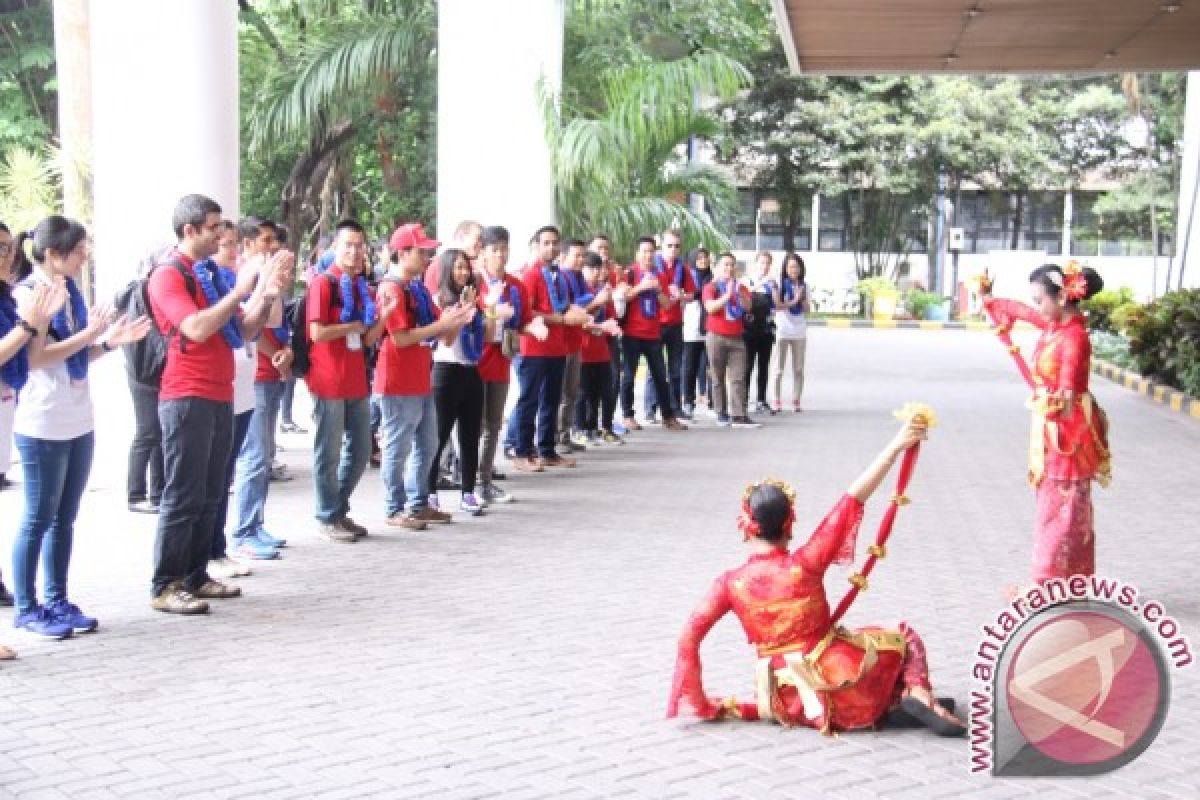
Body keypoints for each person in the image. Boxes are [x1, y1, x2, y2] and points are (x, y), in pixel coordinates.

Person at [667, 417, 964, 737]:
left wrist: (699, 702)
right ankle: (916, 694)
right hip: (840, 676)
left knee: (846, 664)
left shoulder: (729, 584)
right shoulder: (805, 563)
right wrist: (895, 445)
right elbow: (854, 499)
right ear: (788, 524)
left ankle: (895, 702)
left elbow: (688, 638)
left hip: (785, 700)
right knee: (903, 634)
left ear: (745, 525)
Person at [147, 194, 289, 614]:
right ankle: (166, 583)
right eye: (213, 227)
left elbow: (242, 329)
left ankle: (195, 574)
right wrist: (243, 289)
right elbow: (194, 326)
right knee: (184, 494)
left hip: (219, 393)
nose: (221, 233)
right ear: (189, 231)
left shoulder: (211, 273)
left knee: (211, 491)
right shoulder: (168, 275)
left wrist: (263, 294)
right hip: (185, 394)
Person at [13, 215, 151, 636]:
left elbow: (75, 355)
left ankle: (57, 598)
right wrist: (91, 333)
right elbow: (37, 358)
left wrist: (107, 343)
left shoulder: (70, 293)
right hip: (42, 420)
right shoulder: (30, 293)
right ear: (51, 254)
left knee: (64, 517)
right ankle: (27, 605)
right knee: (38, 517)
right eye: (77, 250)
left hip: (77, 417)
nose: (84, 256)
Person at [981, 263, 1110, 585]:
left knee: (1065, 506)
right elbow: (1021, 311)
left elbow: (1067, 388)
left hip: (1069, 430)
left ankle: (1051, 580)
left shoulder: (1075, 337)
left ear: (1063, 297)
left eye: (1041, 299)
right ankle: (1064, 578)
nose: (1038, 306)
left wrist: (1054, 403)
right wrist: (989, 300)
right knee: (1054, 503)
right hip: (1053, 425)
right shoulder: (1054, 326)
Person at [375, 223, 472, 529]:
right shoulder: (391, 288)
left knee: (427, 444)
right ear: (402, 253)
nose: (428, 257)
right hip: (397, 379)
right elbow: (401, 338)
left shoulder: (416, 287)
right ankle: (395, 508)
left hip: (420, 378)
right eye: (422, 252)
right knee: (398, 446)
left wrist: (458, 317)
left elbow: (442, 336)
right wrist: (445, 323)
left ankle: (417, 504)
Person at [0, 223, 68, 651]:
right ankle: (29, 605)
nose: (5, 255)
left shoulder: (8, 296)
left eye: (7, 248)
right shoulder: (19, 302)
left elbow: (31, 355)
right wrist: (30, 324)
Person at [305, 219, 391, 542]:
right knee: (328, 451)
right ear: (334, 249)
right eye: (348, 245)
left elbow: (368, 339)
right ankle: (327, 515)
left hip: (356, 380)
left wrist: (383, 316)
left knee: (360, 450)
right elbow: (317, 332)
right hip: (328, 379)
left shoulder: (360, 287)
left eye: (359, 245)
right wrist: (352, 325)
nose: (355, 252)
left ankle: (338, 508)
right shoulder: (323, 283)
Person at [228, 218, 294, 565]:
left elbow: (277, 323)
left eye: (274, 239)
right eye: (265, 240)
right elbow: (249, 325)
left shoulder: (270, 276)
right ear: (247, 243)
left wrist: (287, 352)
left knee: (263, 454)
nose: (272, 246)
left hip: (269, 370)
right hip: (257, 373)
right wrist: (277, 355)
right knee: (254, 456)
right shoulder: (247, 277)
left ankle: (255, 524)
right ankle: (243, 532)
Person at [506, 226, 589, 470]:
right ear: (536, 246)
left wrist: (575, 314)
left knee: (551, 401)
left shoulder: (559, 276)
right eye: (546, 243)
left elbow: (563, 308)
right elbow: (527, 311)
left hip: (557, 348)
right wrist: (561, 319)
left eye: (555, 243)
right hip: (533, 348)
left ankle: (547, 450)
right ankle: (522, 452)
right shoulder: (530, 275)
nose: (551, 248)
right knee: (529, 401)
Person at [428, 249, 493, 516]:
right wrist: (462, 313)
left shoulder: (473, 301)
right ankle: (429, 491)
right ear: (446, 271)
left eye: (465, 268)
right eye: (457, 268)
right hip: (445, 372)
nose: (463, 272)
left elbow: (486, 338)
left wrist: (488, 313)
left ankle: (468, 491)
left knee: (470, 435)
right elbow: (446, 339)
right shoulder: (438, 300)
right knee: (438, 435)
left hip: (471, 370)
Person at [476, 226, 529, 504]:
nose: (500, 255)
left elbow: (524, 320)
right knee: (473, 425)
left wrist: (535, 325)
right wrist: (492, 311)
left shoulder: (515, 286)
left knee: (493, 425)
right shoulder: (472, 282)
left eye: (504, 249)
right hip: (472, 363)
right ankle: (469, 479)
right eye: (494, 250)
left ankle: (484, 481)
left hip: (500, 361)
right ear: (482, 252)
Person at [617, 237, 687, 433]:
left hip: (653, 333)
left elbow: (666, 304)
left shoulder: (660, 276)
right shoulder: (630, 273)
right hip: (632, 333)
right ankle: (628, 415)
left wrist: (657, 291)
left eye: (651, 251)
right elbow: (623, 296)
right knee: (629, 376)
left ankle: (668, 416)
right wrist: (642, 287)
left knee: (660, 376)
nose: (648, 255)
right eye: (644, 251)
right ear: (637, 254)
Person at [643, 230, 694, 421]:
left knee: (675, 367)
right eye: (669, 245)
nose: (673, 249)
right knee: (653, 368)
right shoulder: (652, 266)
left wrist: (682, 296)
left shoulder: (684, 268)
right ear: (661, 246)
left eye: (677, 246)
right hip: (656, 323)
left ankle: (675, 407)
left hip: (675, 323)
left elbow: (691, 295)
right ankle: (650, 408)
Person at [703, 253, 758, 429]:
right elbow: (710, 307)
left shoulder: (740, 287)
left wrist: (737, 293)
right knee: (717, 376)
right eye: (725, 265)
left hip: (736, 337)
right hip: (716, 336)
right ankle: (721, 412)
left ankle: (739, 415)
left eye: (732, 265)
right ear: (717, 267)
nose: (729, 268)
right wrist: (727, 295)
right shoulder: (710, 287)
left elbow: (749, 306)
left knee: (738, 376)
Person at [574, 253, 622, 444]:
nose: (596, 273)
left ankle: (604, 427)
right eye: (591, 268)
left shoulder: (603, 292)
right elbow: (578, 319)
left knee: (605, 392)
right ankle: (580, 428)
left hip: (602, 350)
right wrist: (598, 316)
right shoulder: (579, 292)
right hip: (584, 350)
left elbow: (611, 317)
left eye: (598, 268)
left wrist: (613, 326)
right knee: (582, 393)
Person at [557, 239, 591, 451]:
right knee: (560, 393)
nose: (580, 260)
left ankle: (564, 434)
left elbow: (584, 307)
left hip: (576, 341)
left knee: (571, 392)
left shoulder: (579, 279)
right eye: (576, 255)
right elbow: (569, 309)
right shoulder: (561, 278)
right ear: (564, 256)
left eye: (582, 256)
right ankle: (555, 438)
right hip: (562, 343)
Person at [770, 252, 811, 413]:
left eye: (797, 266)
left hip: (799, 331)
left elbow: (807, 310)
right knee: (778, 369)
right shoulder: (779, 284)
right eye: (791, 266)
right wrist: (794, 299)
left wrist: (802, 299)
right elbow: (777, 305)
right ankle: (776, 399)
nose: (794, 269)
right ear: (785, 269)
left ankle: (796, 399)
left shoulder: (804, 286)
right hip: (782, 330)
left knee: (799, 368)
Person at [680, 247, 713, 417]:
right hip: (691, 326)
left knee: (711, 366)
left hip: (709, 326)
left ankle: (713, 402)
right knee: (689, 366)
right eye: (699, 258)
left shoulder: (712, 277)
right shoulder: (686, 277)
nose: (703, 260)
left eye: (705, 257)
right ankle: (688, 402)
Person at [743, 250, 777, 416]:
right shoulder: (748, 280)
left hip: (766, 328)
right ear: (756, 264)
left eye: (768, 263)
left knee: (764, 365)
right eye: (762, 262)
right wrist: (762, 281)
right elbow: (746, 294)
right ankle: (744, 398)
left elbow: (776, 305)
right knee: (747, 365)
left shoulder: (772, 283)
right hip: (750, 330)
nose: (765, 266)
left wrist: (774, 287)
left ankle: (761, 400)